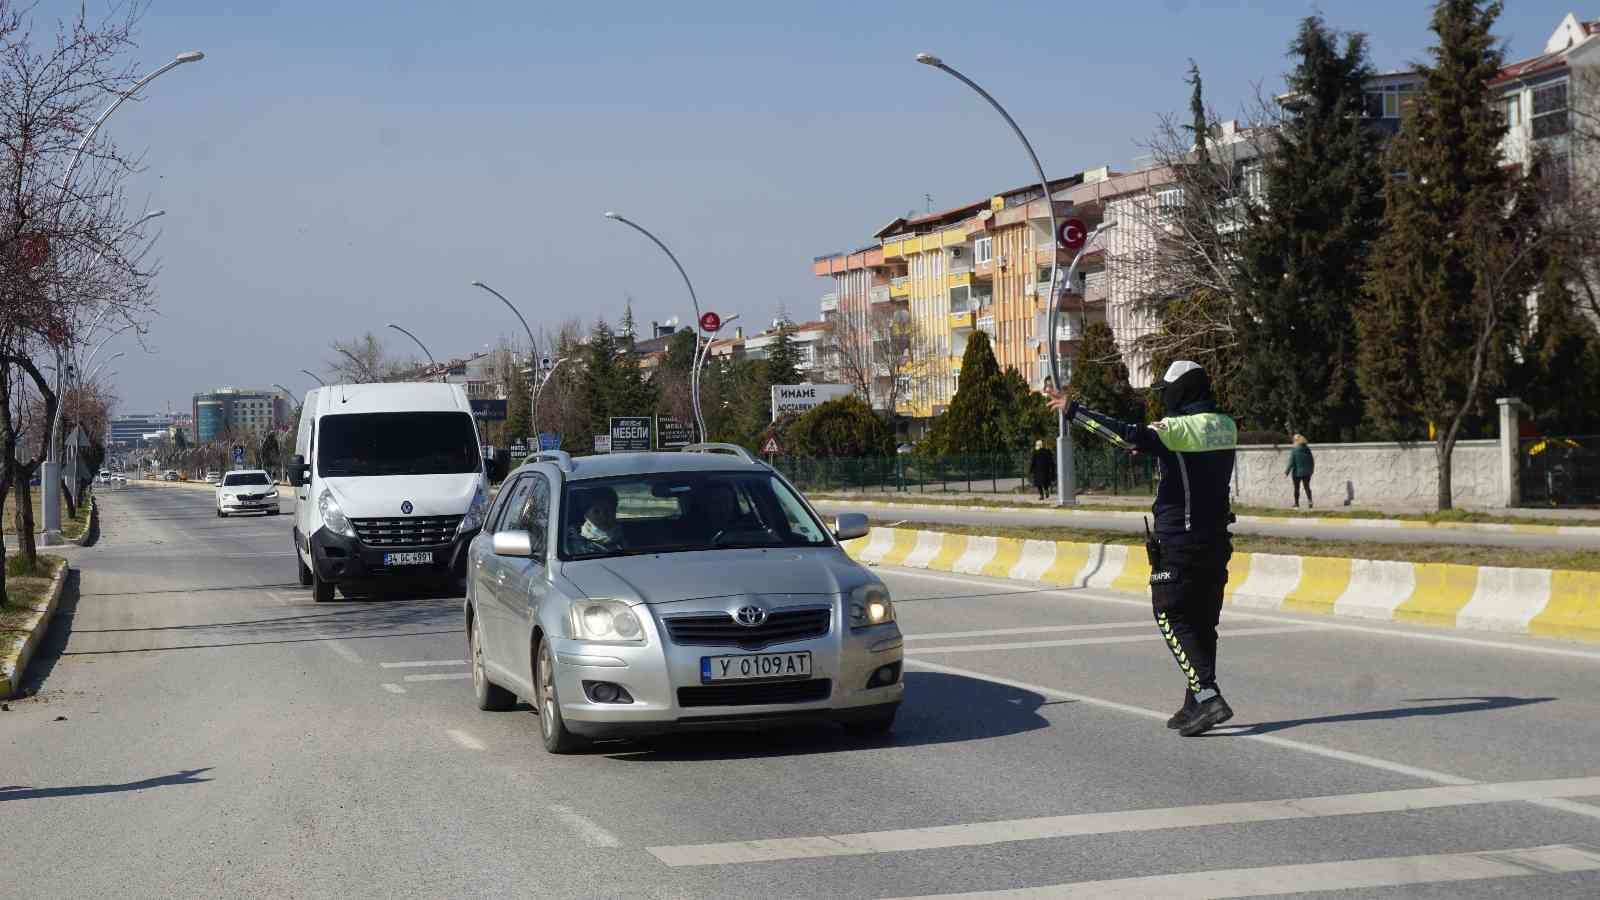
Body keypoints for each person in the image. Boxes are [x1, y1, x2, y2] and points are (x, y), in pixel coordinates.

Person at [1048, 360, 1238, 736]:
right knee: (1202, 624)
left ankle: (1207, 695)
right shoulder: (1225, 424)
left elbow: (1126, 436)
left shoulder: (1176, 428)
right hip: (1216, 540)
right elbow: (1187, 457)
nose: (1163, 397)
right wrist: (1158, 448)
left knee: (1169, 614)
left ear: (1181, 390)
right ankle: (1193, 705)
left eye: (1166, 389)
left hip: (1180, 541)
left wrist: (1074, 411)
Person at [566, 487, 623, 554]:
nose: (604, 517)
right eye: (596, 512)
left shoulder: (624, 537)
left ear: (614, 512)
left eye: (608, 510)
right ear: (586, 515)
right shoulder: (574, 543)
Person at [1285, 434, 1314, 509]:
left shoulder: (1294, 450)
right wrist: (1311, 470)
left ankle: (1296, 504)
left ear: (1296, 441)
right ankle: (1310, 501)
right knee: (1307, 487)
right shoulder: (1307, 449)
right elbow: (1311, 461)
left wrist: (1286, 472)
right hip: (1307, 472)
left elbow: (1291, 462)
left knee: (1296, 488)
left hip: (1297, 473)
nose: (1293, 441)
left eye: (1293, 440)